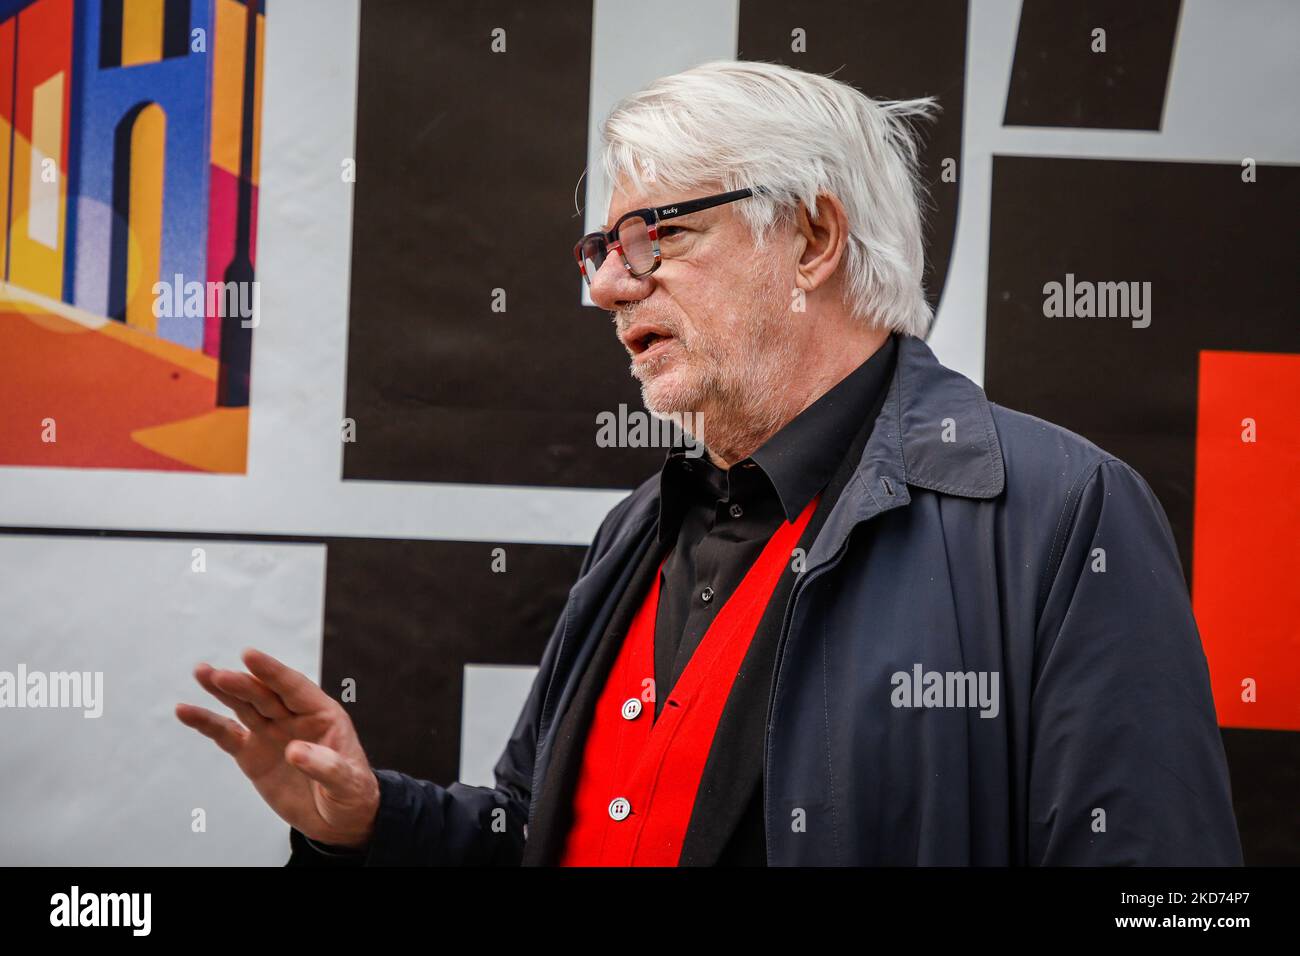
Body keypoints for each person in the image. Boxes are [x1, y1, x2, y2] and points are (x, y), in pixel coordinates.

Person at [176, 60, 1242, 866]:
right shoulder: (639, 527)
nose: (606, 286)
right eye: (601, 249)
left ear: (813, 241)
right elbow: (539, 830)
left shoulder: (1060, 511)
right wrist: (373, 819)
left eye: (656, 235)